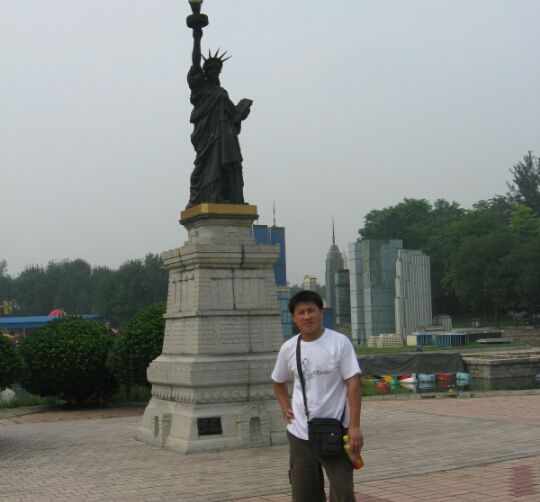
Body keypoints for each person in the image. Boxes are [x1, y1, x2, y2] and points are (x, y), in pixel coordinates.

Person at [272, 290, 363, 502]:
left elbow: (353, 384)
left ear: (321, 312)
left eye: (311, 311)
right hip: (300, 433)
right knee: (304, 494)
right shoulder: (288, 348)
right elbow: (278, 380)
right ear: (294, 317)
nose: (307, 317)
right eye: (301, 312)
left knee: (343, 492)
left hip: (336, 431)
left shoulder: (339, 343)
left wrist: (355, 426)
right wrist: (285, 407)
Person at [186, 23, 252, 208]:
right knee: (210, 166)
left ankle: (232, 197)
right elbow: (195, 63)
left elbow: (233, 115)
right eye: (212, 69)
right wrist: (197, 37)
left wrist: (242, 112)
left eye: (218, 69)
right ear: (205, 71)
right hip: (208, 136)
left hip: (226, 134)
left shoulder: (222, 93)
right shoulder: (200, 87)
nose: (215, 71)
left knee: (232, 165)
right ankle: (211, 196)